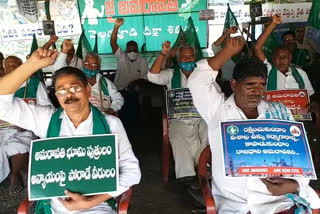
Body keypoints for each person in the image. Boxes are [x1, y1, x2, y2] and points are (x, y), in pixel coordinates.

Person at [188, 36, 320, 213]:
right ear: (234, 84)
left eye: (262, 85)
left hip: (279, 202)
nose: (257, 91)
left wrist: (294, 184)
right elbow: (197, 81)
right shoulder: (217, 110)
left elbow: (296, 157)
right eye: (250, 85)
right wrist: (226, 52)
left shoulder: (279, 112)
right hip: (236, 205)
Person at [0, 48, 141, 213]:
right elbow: (3, 106)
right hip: (56, 208)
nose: (69, 95)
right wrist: (31, 65)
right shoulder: (46, 120)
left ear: (88, 90)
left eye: (75, 88)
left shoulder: (111, 124)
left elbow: (132, 171)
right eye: (61, 90)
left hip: (97, 207)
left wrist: (91, 202)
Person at [148, 41, 208, 183]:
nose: (187, 60)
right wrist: (163, 53)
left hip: (202, 117)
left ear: (195, 57)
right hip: (179, 119)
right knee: (176, 133)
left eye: (190, 56)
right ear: (178, 60)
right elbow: (152, 76)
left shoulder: (203, 74)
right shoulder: (171, 74)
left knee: (209, 131)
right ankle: (188, 176)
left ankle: (206, 170)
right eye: (184, 57)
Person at [0, 55, 53, 194]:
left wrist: (27, 123)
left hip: (26, 128)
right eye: (8, 66)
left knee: (18, 145)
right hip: (2, 128)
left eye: (14, 65)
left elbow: (47, 108)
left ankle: (15, 173)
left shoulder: (34, 83)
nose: (11, 68)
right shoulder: (2, 85)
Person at [54, 40, 124, 115]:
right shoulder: (76, 80)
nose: (90, 68)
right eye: (87, 64)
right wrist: (64, 51)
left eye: (94, 65)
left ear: (99, 67)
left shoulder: (105, 82)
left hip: (103, 117)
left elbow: (118, 98)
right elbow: (59, 72)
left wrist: (112, 109)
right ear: (83, 64)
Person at [255, 15, 314, 97]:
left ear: (290, 59)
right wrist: (273, 24)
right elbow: (257, 47)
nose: (282, 59)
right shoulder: (268, 70)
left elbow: (309, 95)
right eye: (278, 57)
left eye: (285, 57)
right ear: (273, 59)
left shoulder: (301, 73)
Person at [110, 18, 148, 92]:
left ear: (138, 50)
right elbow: (113, 43)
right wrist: (116, 26)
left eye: (134, 50)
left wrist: (135, 86)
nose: (132, 52)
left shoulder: (142, 61)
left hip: (135, 91)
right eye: (130, 51)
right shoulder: (121, 56)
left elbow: (144, 79)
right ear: (126, 51)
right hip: (119, 90)